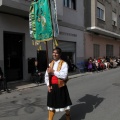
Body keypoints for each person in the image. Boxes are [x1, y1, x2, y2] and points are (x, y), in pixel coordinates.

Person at [45, 47, 72, 120]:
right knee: (51, 105)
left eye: (56, 53)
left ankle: (68, 116)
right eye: (53, 52)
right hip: (52, 87)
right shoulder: (50, 63)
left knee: (65, 104)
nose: (54, 54)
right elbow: (47, 76)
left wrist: (53, 72)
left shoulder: (64, 64)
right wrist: (48, 85)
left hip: (60, 86)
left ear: (59, 54)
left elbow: (64, 75)